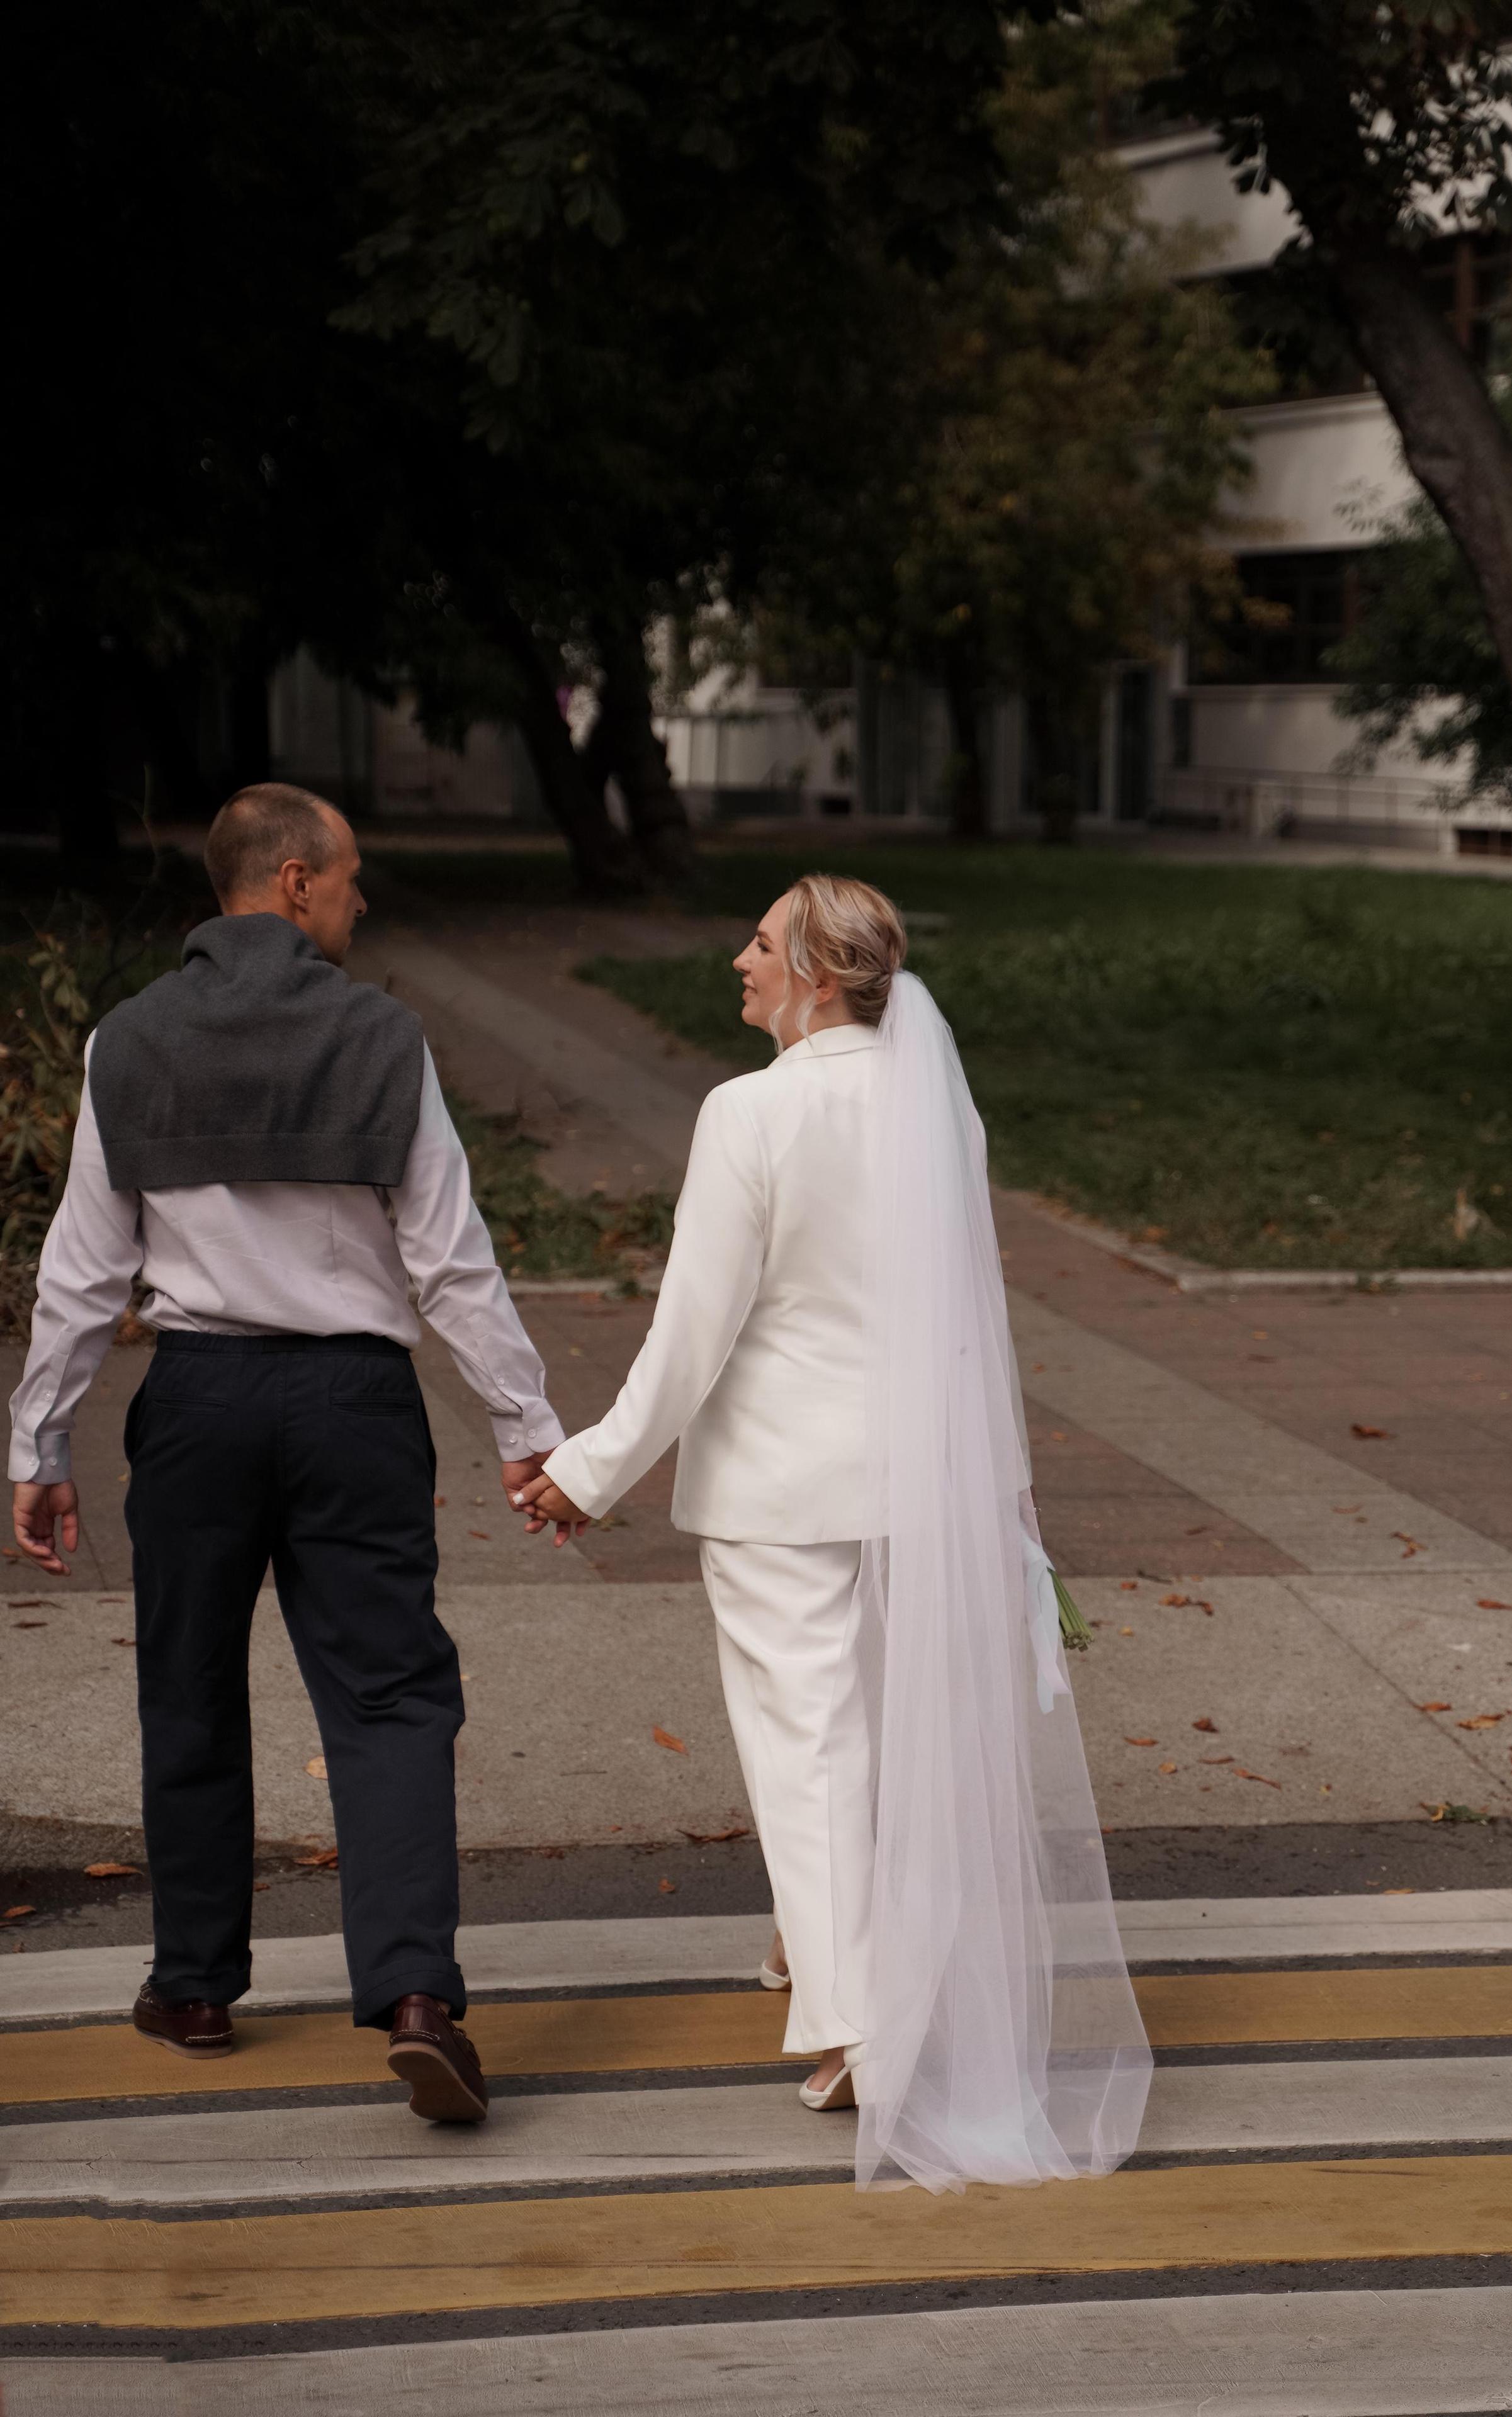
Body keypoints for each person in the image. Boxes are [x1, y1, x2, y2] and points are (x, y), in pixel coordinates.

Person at [522, 873, 1151, 2191]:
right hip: (923, 1485)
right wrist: (1002, 1489)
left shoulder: (749, 1112)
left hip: (782, 1496)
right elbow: (969, 1316)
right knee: (891, 1746)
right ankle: (828, 1960)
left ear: (814, 972)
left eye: (757, 944)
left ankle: (865, 2028)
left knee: (810, 1754)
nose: (736, 961)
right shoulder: (934, 1112)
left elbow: (694, 1329)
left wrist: (587, 1470)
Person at [8, 784, 563, 2123]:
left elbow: (83, 1270)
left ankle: (195, 1987)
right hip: (352, 1407)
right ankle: (418, 1997)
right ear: (298, 883)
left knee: (188, 1688)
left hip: (195, 1405)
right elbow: (449, 1261)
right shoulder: (383, 1038)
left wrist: (38, 1443)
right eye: (354, 877)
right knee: (386, 1696)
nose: (364, 901)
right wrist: (526, 1430)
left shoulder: (126, 1043)